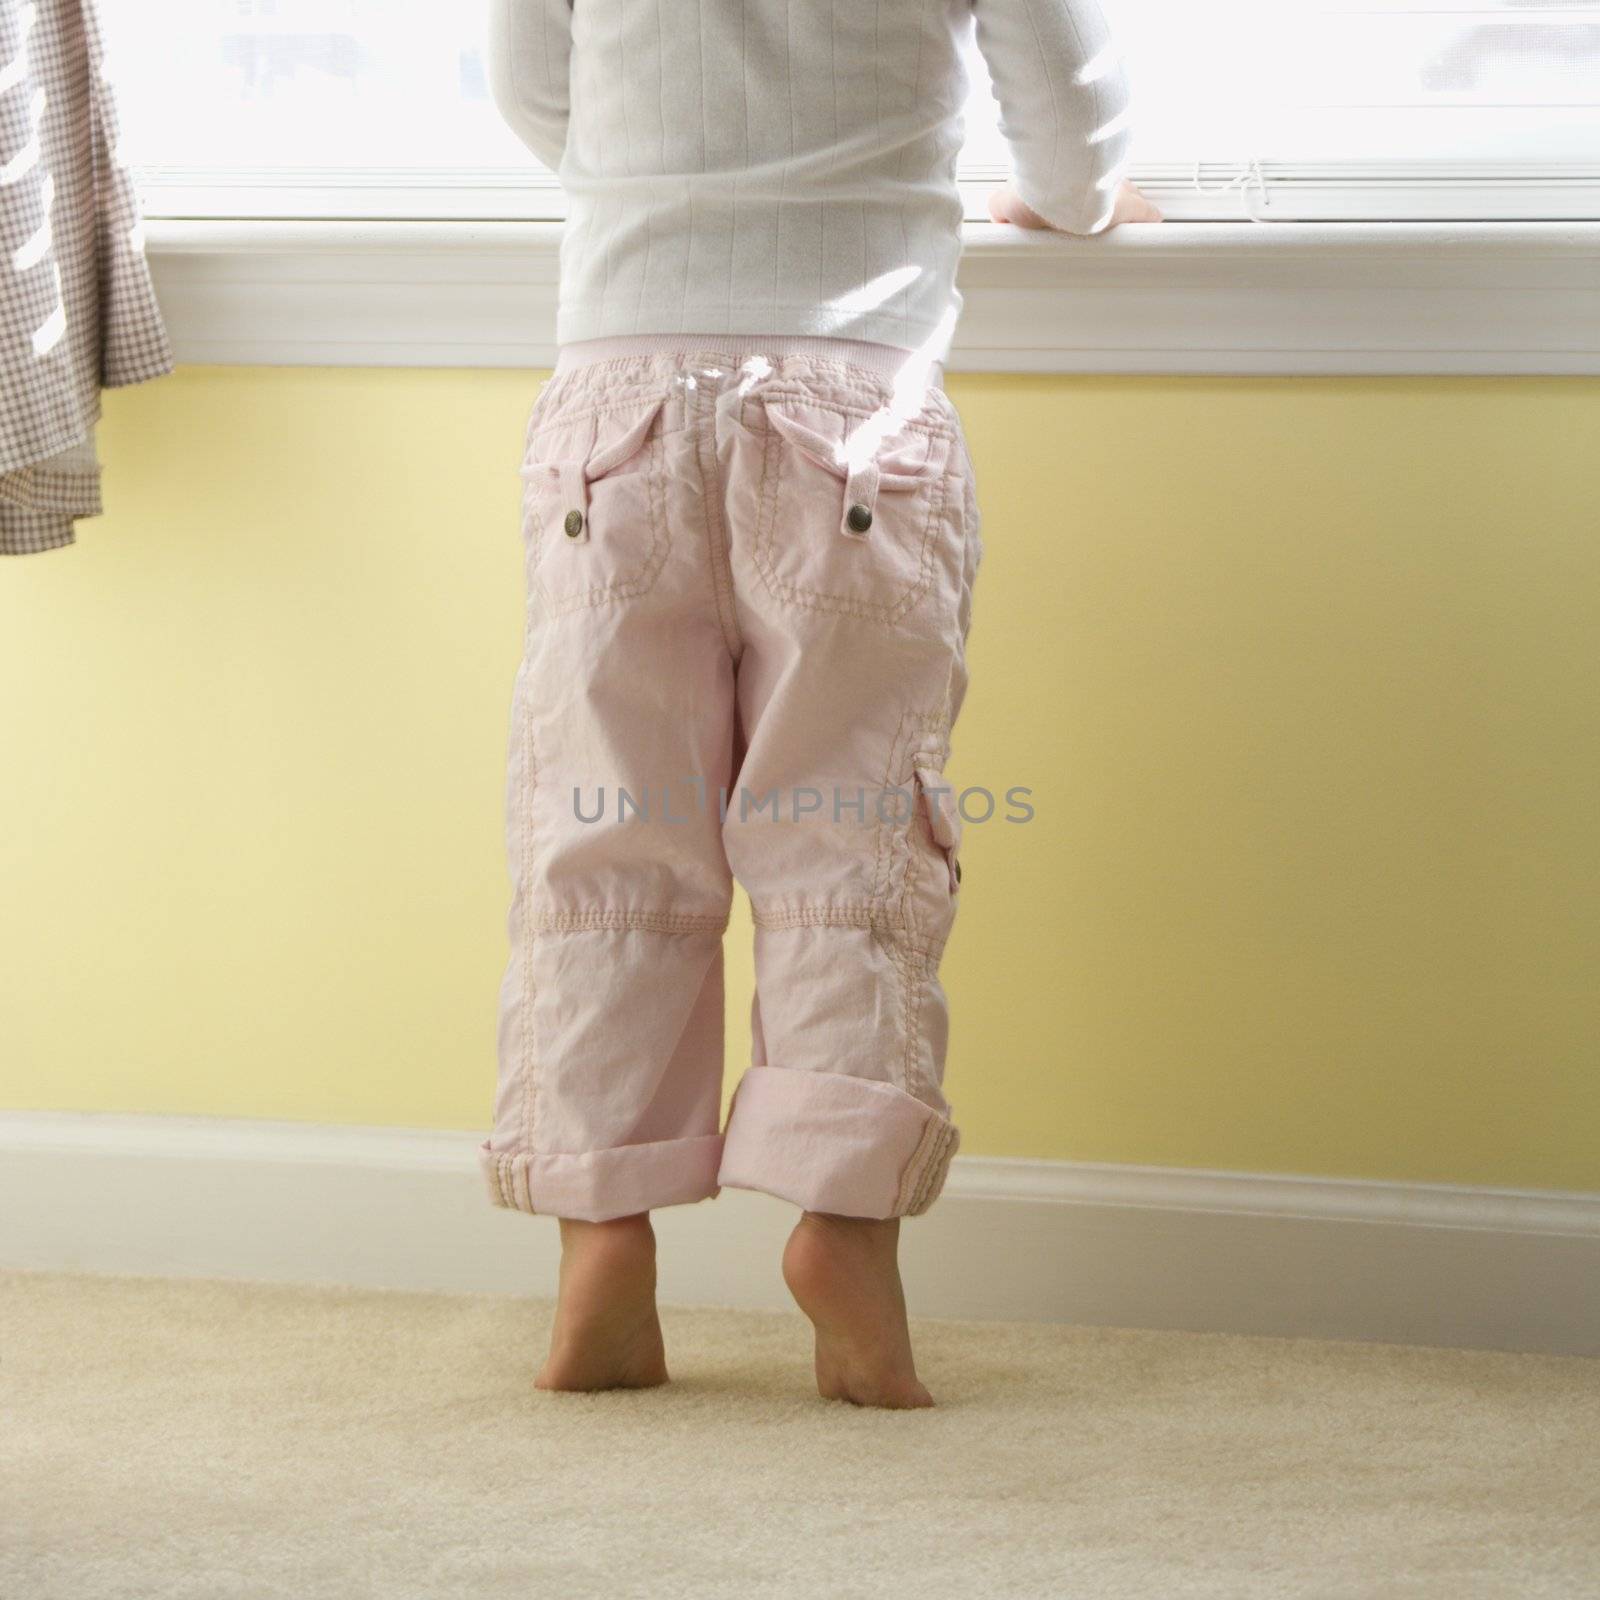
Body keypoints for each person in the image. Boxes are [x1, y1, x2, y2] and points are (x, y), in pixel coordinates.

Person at [480, 0, 1160, 1409]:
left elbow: (537, 96)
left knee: (608, 831)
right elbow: (1069, 105)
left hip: (619, 395)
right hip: (851, 399)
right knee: (848, 839)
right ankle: (843, 1228)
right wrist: (1078, 202)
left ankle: (601, 1238)